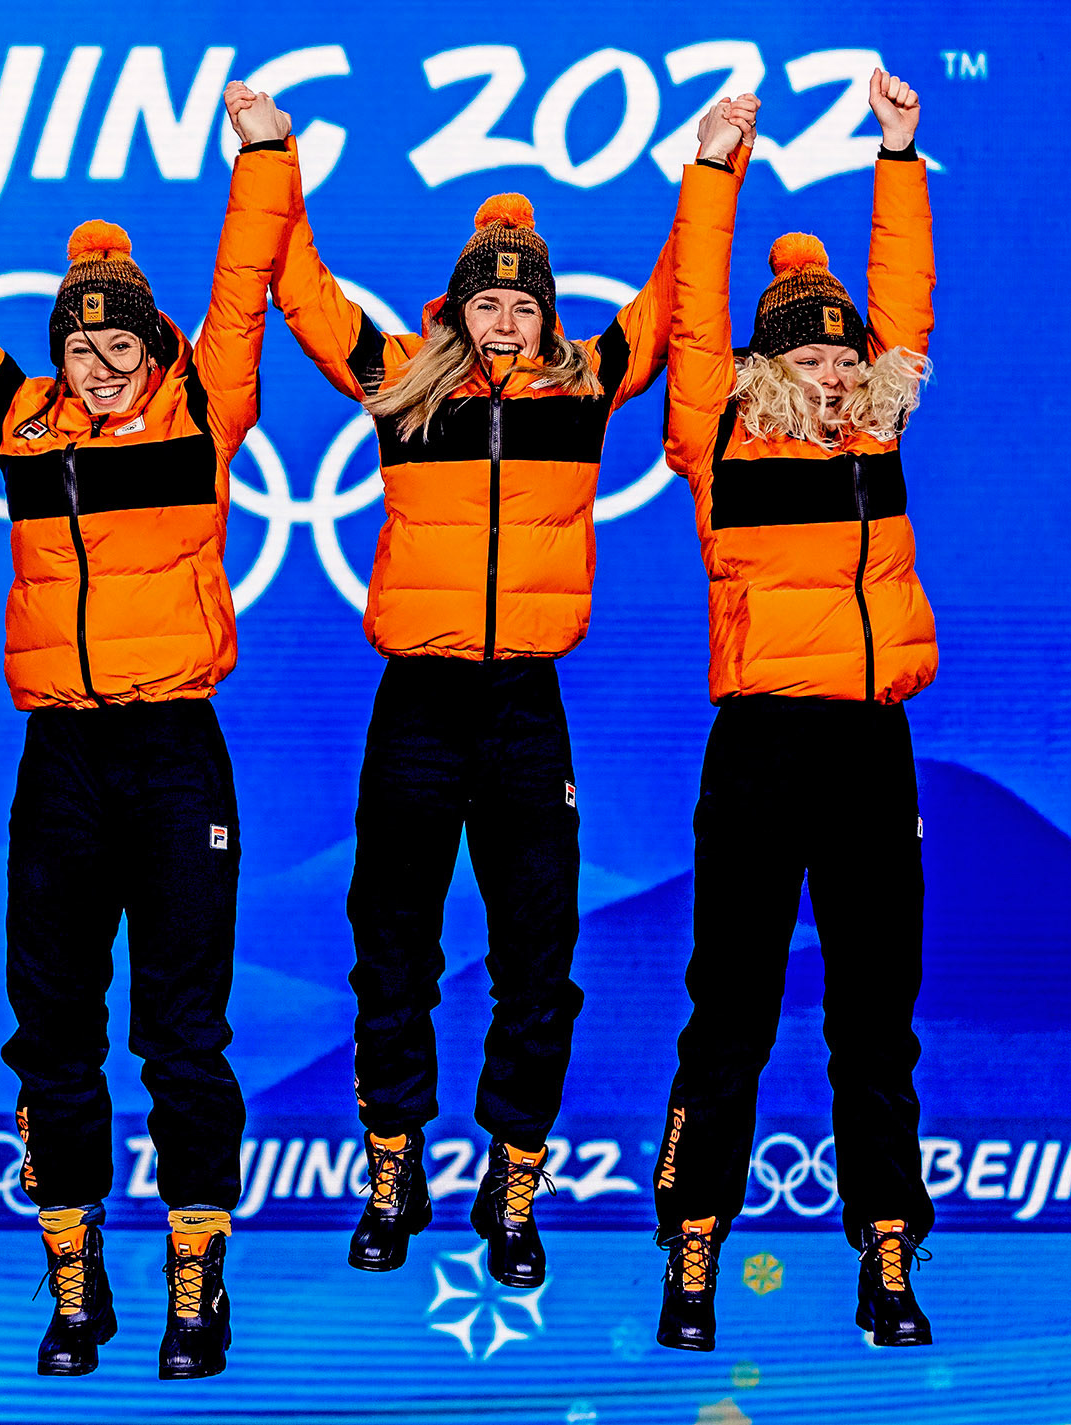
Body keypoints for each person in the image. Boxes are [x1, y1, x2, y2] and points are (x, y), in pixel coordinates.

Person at [266, 101, 753, 1287]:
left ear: (545, 315)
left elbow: (679, 295)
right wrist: (268, 155)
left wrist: (708, 168)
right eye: (484, 299)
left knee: (541, 956)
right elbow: (297, 290)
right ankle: (393, 1171)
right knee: (392, 946)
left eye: (520, 301)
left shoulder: (584, 392)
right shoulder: (397, 382)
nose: (501, 317)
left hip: (528, 712)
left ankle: (514, 1178)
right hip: (417, 708)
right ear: (456, 307)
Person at [0, 82, 297, 1379]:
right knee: (51, 1026)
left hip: (174, 755)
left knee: (184, 1029)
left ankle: (197, 1289)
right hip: (61, 760)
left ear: (157, 350)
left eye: (121, 347)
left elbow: (242, 276)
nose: (101, 366)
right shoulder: (23, 418)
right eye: (81, 347)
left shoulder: (206, 408)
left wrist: (263, 152)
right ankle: (74, 1283)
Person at [651, 70, 937, 1351]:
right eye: (807, 355)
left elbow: (909, 301)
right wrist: (711, 171)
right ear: (767, 366)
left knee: (876, 1010)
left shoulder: (878, 438)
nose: (830, 371)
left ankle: (887, 1259)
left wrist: (898, 152)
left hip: (872, 748)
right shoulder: (717, 437)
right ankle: (693, 1253)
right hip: (762, 748)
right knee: (733, 1006)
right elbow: (699, 316)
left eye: (843, 353)